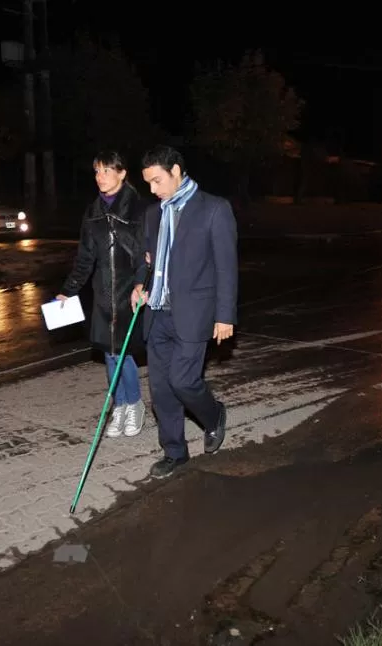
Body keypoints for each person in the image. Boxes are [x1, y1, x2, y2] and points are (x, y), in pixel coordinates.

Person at [131, 145, 238, 478]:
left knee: (183, 381)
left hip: (194, 314)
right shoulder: (153, 214)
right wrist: (138, 284)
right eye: (148, 183)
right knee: (161, 390)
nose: (153, 190)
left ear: (176, 171)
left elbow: (226, 267)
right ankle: (175, 453)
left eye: (157, 181)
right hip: (158, 313)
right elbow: (145, 259)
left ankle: (213, 415)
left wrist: (225, 315)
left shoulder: (214, 209)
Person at [58, 151, 147, 438]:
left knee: (123, 352)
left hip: (130, 291)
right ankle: (119, 405)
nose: (100, 177)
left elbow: (145, 254)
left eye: (107, 171)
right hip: (103, 293)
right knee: (109, 353)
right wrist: (67, 291)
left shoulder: (138, 209)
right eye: (97, 171)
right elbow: (85, 258)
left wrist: (141, 283)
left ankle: (134, 404)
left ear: (122, 174)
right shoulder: (93, 212)